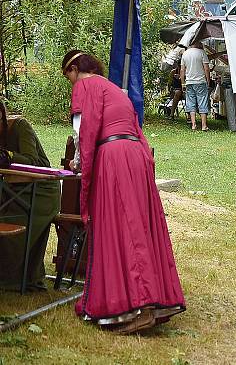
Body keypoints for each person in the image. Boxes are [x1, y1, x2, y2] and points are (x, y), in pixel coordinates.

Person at [61, 50, 185, 334]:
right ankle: (154, 301)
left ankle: (136, 307)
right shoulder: (117, 91)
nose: (70, 83)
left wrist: (79, 163)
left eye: (67, 75)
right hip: (135, 157)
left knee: (120, 230)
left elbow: (85, 131)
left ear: (75, 68)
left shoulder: (86, 86)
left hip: (113, 158)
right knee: (139, 227)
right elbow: (138, 131)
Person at [0, 101, 60, 290]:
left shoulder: (19, 126)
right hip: (12, 189)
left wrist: (8, 155)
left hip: (42, 189)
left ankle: (15, 280)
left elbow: (33, 160)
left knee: (13, 221)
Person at [180, 41, 211, 131]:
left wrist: (182, 83)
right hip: (200, 81)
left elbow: (182, 70)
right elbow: (206, 68)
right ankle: (204, 125)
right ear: (197, 43)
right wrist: (208, 80)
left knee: (191, 102)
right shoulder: (202, 52)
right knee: (202, 101)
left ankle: (193, 125)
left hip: (189, 82)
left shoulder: (185, 54)